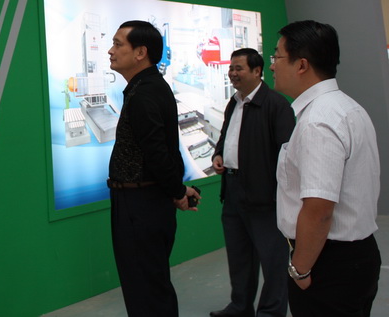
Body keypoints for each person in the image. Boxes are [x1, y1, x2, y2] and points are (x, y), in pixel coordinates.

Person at [270, 20, 381, 317]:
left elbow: (319, 210)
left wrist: (300, 269)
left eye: (277, 56)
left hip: (328, 262)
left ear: (301, 65)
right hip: (355, 255)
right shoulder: (347, 107)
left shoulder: (318, 121)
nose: (272, 65)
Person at [106, 20, 200, 317]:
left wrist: (177, 191)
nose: (110, 51)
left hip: (140, 205)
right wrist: (177, 190)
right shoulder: (146, 87)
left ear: (140, 52)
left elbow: (158, 152)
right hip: (143, 202)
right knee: (148, 286)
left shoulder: (145, 93)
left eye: (118, 44)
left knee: (146, 290)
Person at [209, 48, 295, 317]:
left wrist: (277, 195)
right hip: (233, 191)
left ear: (257, 71)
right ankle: (240, 307)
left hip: (264, 197)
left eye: (239, 68)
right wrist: (218, 154)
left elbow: (287, 156)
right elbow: (225, 137)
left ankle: (270, 312)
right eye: (231, 68)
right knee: (239, 256)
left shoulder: (276, 105)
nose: (233, 73)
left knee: (273, 260)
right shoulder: (233, 103)